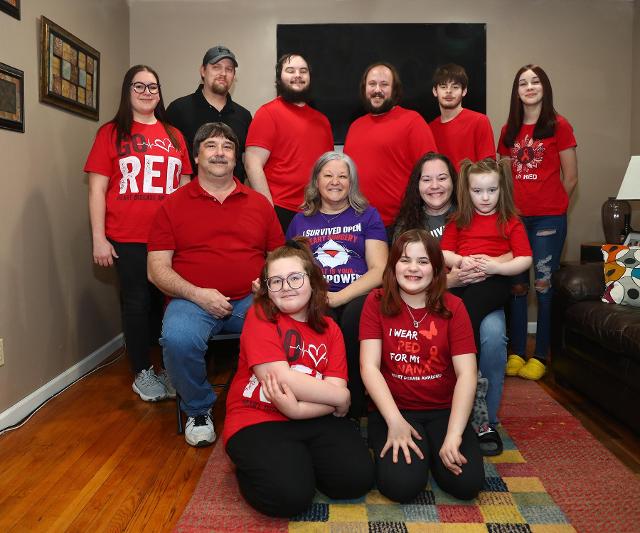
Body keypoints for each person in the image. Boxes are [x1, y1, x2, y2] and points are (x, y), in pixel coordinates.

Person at [147, 122, 284, 447]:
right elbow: (156, 270)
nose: (220, 153)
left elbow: (280, 255)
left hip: (250, 299)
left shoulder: (259, 203)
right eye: (211, 145)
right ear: (195, 156)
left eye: (227, 146)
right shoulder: (172, 205)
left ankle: (270, 401)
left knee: (285, 323)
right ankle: (197, 409)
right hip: (191, 301)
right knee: (177, 338)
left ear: (236, 158)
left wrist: (266, 281)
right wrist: (198, 294)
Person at [224, 238, 374, 517]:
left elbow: (334, 386)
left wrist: (297, 409)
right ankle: (254, 465)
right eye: (276, 282)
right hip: (258, 417)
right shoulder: (260, 316)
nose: (287, 287)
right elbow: (285, 380)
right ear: (267, 291)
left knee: (355, 480)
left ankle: (299, 460)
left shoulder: (330, 329)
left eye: (295, 278)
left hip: (313, 416)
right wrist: (342, 398)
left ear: (313, 282)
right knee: (289, 498)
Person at [85, 65, 192, 403]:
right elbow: (97, 189)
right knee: (137, 303)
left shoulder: (174, 134)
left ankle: (170, 368)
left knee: (169, 302)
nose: (147, 92)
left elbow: (186, 187)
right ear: (127, 91)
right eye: (139, 86)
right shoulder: (111, 133)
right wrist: (99, 237)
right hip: (127, 235)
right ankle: (142, 372)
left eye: (153, 86)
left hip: (169, 238)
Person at [394, 152, 508, 455]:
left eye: (442, 177)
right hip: (426, 302)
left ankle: (485, 419)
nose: (435, 185)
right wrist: (448, 283)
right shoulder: (408, 222)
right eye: (427, 178)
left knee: (493, 335)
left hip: (478, 296)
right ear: (416, 185)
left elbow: (506, 249)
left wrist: (488, 267)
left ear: (454, 183)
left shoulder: (475, 209)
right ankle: (436, 406)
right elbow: (398, 272)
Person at [359, 229, 484, 502]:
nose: (413, 268)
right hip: (395, 408)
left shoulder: (455, 306)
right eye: (405, 260)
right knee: (401, 487)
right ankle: (417, 452)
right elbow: (369, 367)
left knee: (467, 485)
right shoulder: (376, 302)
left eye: (423, 261)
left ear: (437, 268)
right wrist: (394, 421)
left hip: (443, 410)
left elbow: (466, 374)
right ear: (393, 266)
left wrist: (453, 435)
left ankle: (435, 448)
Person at [286, 151, 388, 417]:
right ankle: (323, 402)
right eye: (328, 175)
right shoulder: (301, 220)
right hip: (316, 297)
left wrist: (339, 297)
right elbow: (291, 267)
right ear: (316, 181)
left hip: (359, 293)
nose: (335, 181)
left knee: (356, 318)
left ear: (351, 182)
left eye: (343, 176)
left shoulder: (367, 216)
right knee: (320, 319)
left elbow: (379, 271)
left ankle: (353, 407)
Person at [498, 64, 578, 380]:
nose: (529, 87)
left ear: (545, 87)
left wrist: (554, 206)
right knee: (517, 288)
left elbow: (570, 178)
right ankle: (516, 352)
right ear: (516, 92)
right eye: (522, 83)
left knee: (543, 286)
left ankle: (541, 355)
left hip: (548, 220)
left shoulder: (560, 126)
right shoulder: (508, 131)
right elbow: (503, 177)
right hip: (514, 221)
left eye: (535, 82)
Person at [441, 158, 532, 351]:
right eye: (477, 191)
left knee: (468, 310)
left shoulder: (511, 221)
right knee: (446, 309)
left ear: (502, 189)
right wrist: (460, 260)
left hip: (494, 281)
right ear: (467, 191)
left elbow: (525, 258)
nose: (485, 197)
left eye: (492, 190)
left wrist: (497, 267)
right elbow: (443, 253)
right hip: (463, 277)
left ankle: (470, 368)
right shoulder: (458, 220)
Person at [245, 53, 334, 232]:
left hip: (316, 211)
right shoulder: (267, 113)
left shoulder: (322, 121)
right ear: (279, 77)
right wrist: (268, 211)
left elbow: (328, 169)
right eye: (290, 70)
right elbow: (252, 164)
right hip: (279, 210)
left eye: (303, 71)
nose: (297, 75)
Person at [343, 62, 437, 230]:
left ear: (394, 90)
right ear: (364, 88)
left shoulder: (413, 121)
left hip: (401, 224)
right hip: (359, 224)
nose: (377, 89)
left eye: (384, 84)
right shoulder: (355, 127)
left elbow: (431, 172)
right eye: (372, 84)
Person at [166, 45, 252, 181]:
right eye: (216, 67)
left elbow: (248, 164)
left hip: (233, 199)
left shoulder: (244, 116)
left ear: (234, 76)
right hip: (190, 199)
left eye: (229, 69)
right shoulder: (178, 110)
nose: (223, 73)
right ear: (203, 71)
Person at [429, 64, 496, 171]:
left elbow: (488, 167)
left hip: (473, 187)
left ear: (464, 91)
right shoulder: (430, 129)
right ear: (434, 91)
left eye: (455, 87)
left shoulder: (479, 121)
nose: (449, 91)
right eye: (443, 87)